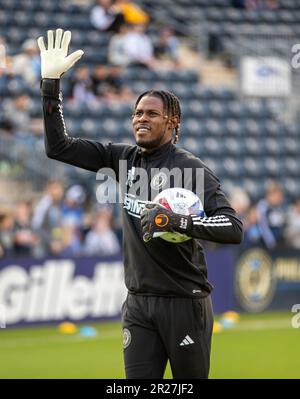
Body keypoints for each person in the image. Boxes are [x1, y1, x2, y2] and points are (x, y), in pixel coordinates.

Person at [37, 29, 243, 379]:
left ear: (172, 121)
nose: (140, 119)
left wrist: (180, 222)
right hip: (138, 304)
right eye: (136, 113)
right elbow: (59, 147)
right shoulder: (123, 158)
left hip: (183, 302)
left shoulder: (190, 168)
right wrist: (50, 84)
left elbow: (233, 228)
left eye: (151, 114)